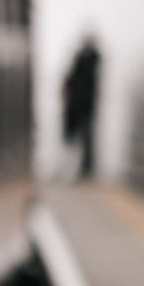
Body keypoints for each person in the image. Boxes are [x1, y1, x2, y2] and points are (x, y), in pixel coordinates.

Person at [61, 35, 101, 179]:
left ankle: (84, 168)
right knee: (84, 138)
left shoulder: (87, 62)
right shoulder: (89, 63)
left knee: (82, 138)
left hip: (81, 106)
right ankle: (84, 168)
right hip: (83, 106)